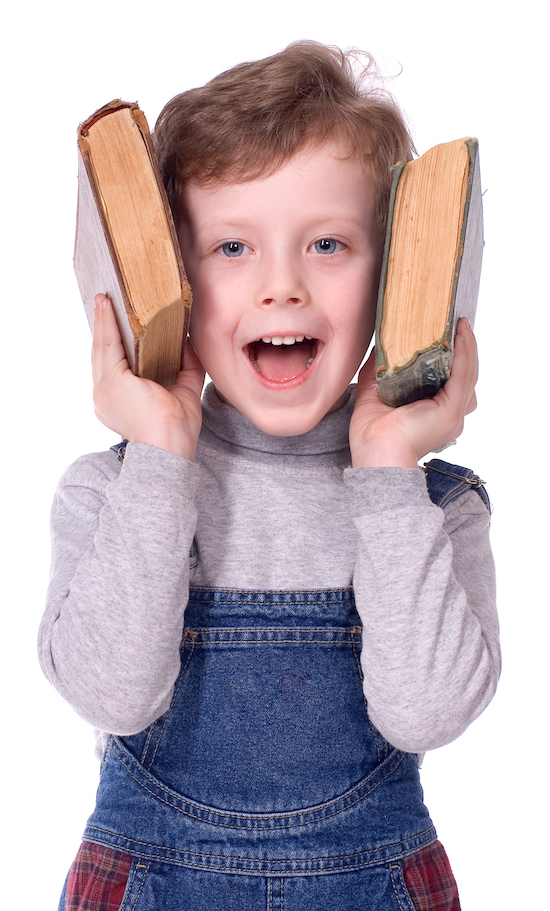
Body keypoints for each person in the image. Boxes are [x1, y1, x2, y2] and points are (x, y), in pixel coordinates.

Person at [39, 41, 500, 911]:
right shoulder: (110, 490)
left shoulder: (436, 505)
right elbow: (113, 694)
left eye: (327, 243)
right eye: (231, 248)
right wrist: (161, 457)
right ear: (173, 277)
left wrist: (389, 469)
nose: (281, 287)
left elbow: (426, 714)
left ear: (396, 273)